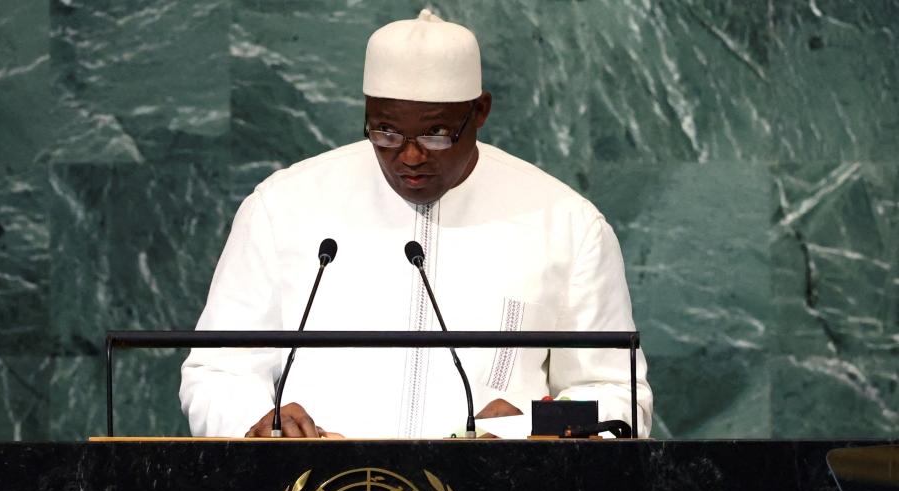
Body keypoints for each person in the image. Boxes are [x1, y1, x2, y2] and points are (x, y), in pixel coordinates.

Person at [180, 9, 653, 438]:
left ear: (480, 111)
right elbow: (218, 373)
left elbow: (617, 395)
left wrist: (525, 429)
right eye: (385, 131)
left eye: (436, 133)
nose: (409, 155)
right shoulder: (283, 206)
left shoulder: (567, 225)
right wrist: (259, 426)